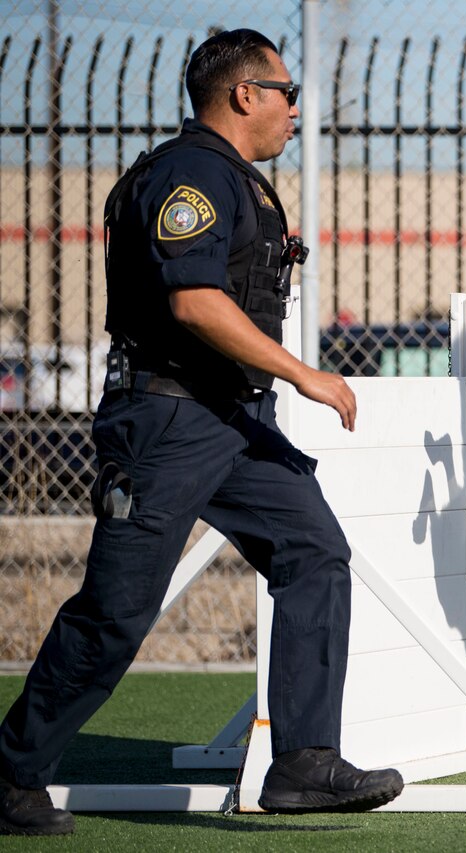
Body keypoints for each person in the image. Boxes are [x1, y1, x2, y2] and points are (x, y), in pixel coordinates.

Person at [0, 29, 403, 835]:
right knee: (117, 613)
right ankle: (10, 770)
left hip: (233, 420)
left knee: (313, 550)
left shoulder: (237, 181)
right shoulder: (189, 176)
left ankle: (302, 762)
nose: (297, 110)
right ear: (245, 94)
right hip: (170, 418)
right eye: (288, 92)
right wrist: (303, 372)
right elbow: (193, 301)